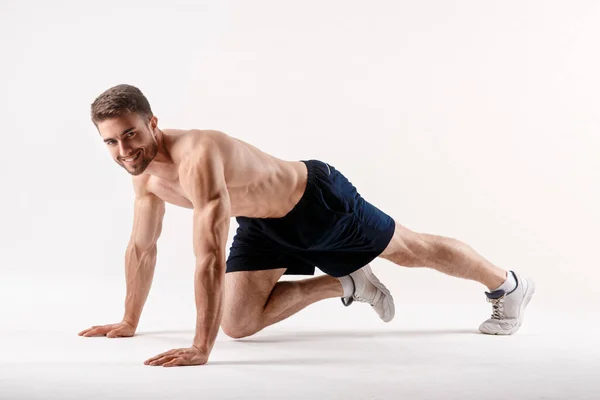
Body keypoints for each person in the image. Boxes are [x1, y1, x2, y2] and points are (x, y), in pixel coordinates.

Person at [78, 84, 535, 367]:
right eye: (112, 142)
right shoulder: (144, 177)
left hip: (314, 200)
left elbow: (209, 256)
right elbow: (142, 248)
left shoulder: (198, 155)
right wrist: (128, 320)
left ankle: (507, 285)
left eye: (131, 134)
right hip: (261, 222)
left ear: (153, 122)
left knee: (409, 249)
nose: (124, 150)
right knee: (238, 323)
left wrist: (201, 347)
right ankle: (348, 283)